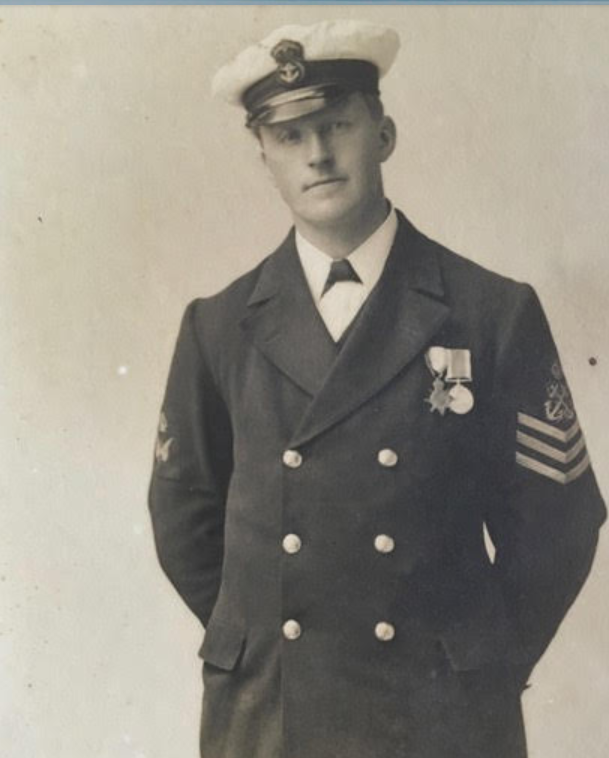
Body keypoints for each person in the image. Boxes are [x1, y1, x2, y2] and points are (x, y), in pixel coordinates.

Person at [148, 20, 606, 758]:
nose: (317, 154)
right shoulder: (218, 326)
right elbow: (183, 518)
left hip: (439, 718)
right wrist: (264, 644)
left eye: (337, 125)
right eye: (289, 137)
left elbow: (559, 521)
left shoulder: (490, 311)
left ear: (383, 134)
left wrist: (476, 661)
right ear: (264, 159)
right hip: (273, 717)